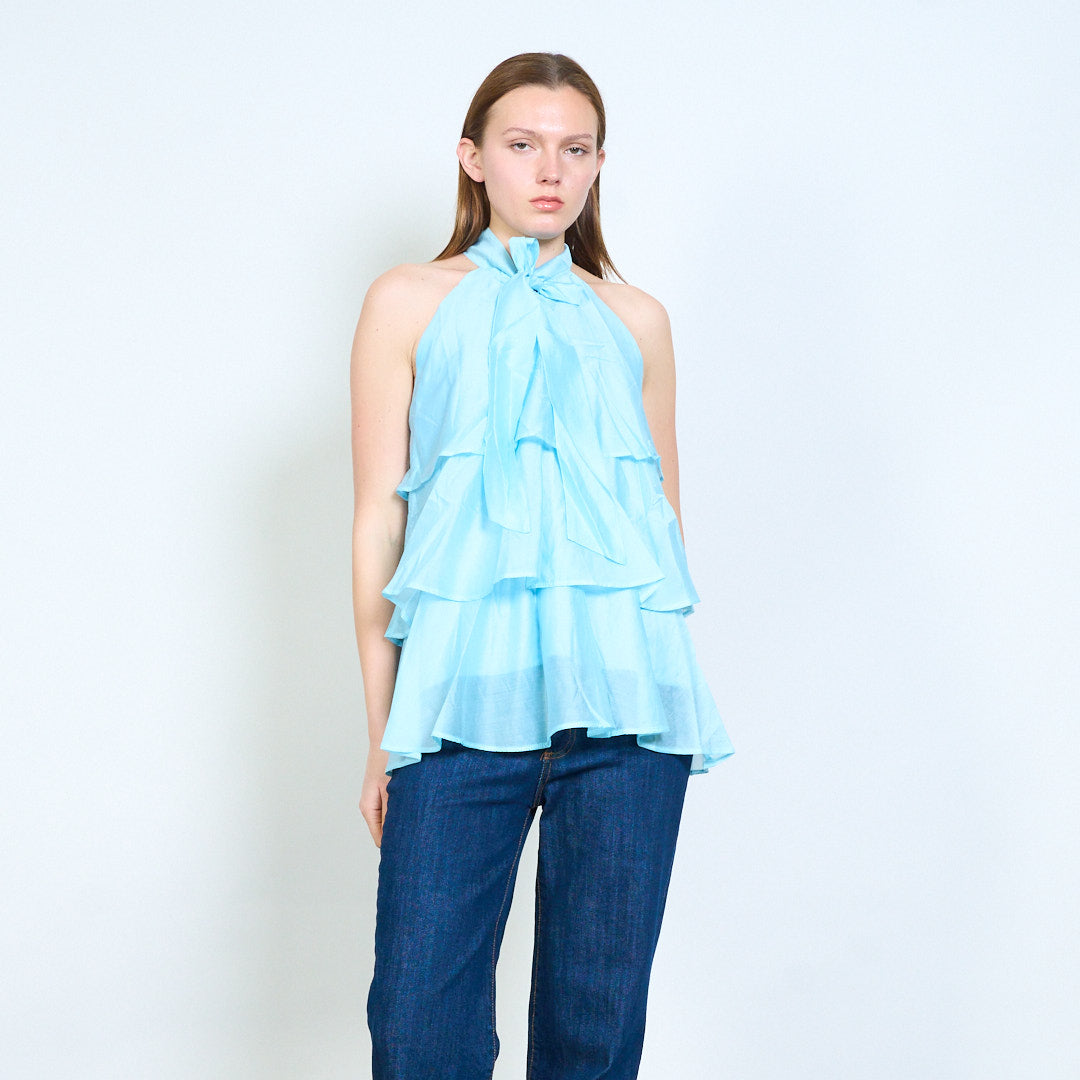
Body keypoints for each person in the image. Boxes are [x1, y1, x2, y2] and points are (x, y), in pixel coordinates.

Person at [350, 51, 734, 1080]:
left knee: (593, 1034)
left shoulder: (636, 320)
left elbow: (663, 527)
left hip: (627, 714)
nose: (550, 170)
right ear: (473, 157)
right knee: (419, 1027)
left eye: (576, 149)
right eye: (523, 145)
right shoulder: (407, 300)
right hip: (457, 709)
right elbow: (378, 522)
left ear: (600, 163)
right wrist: (384, 732)